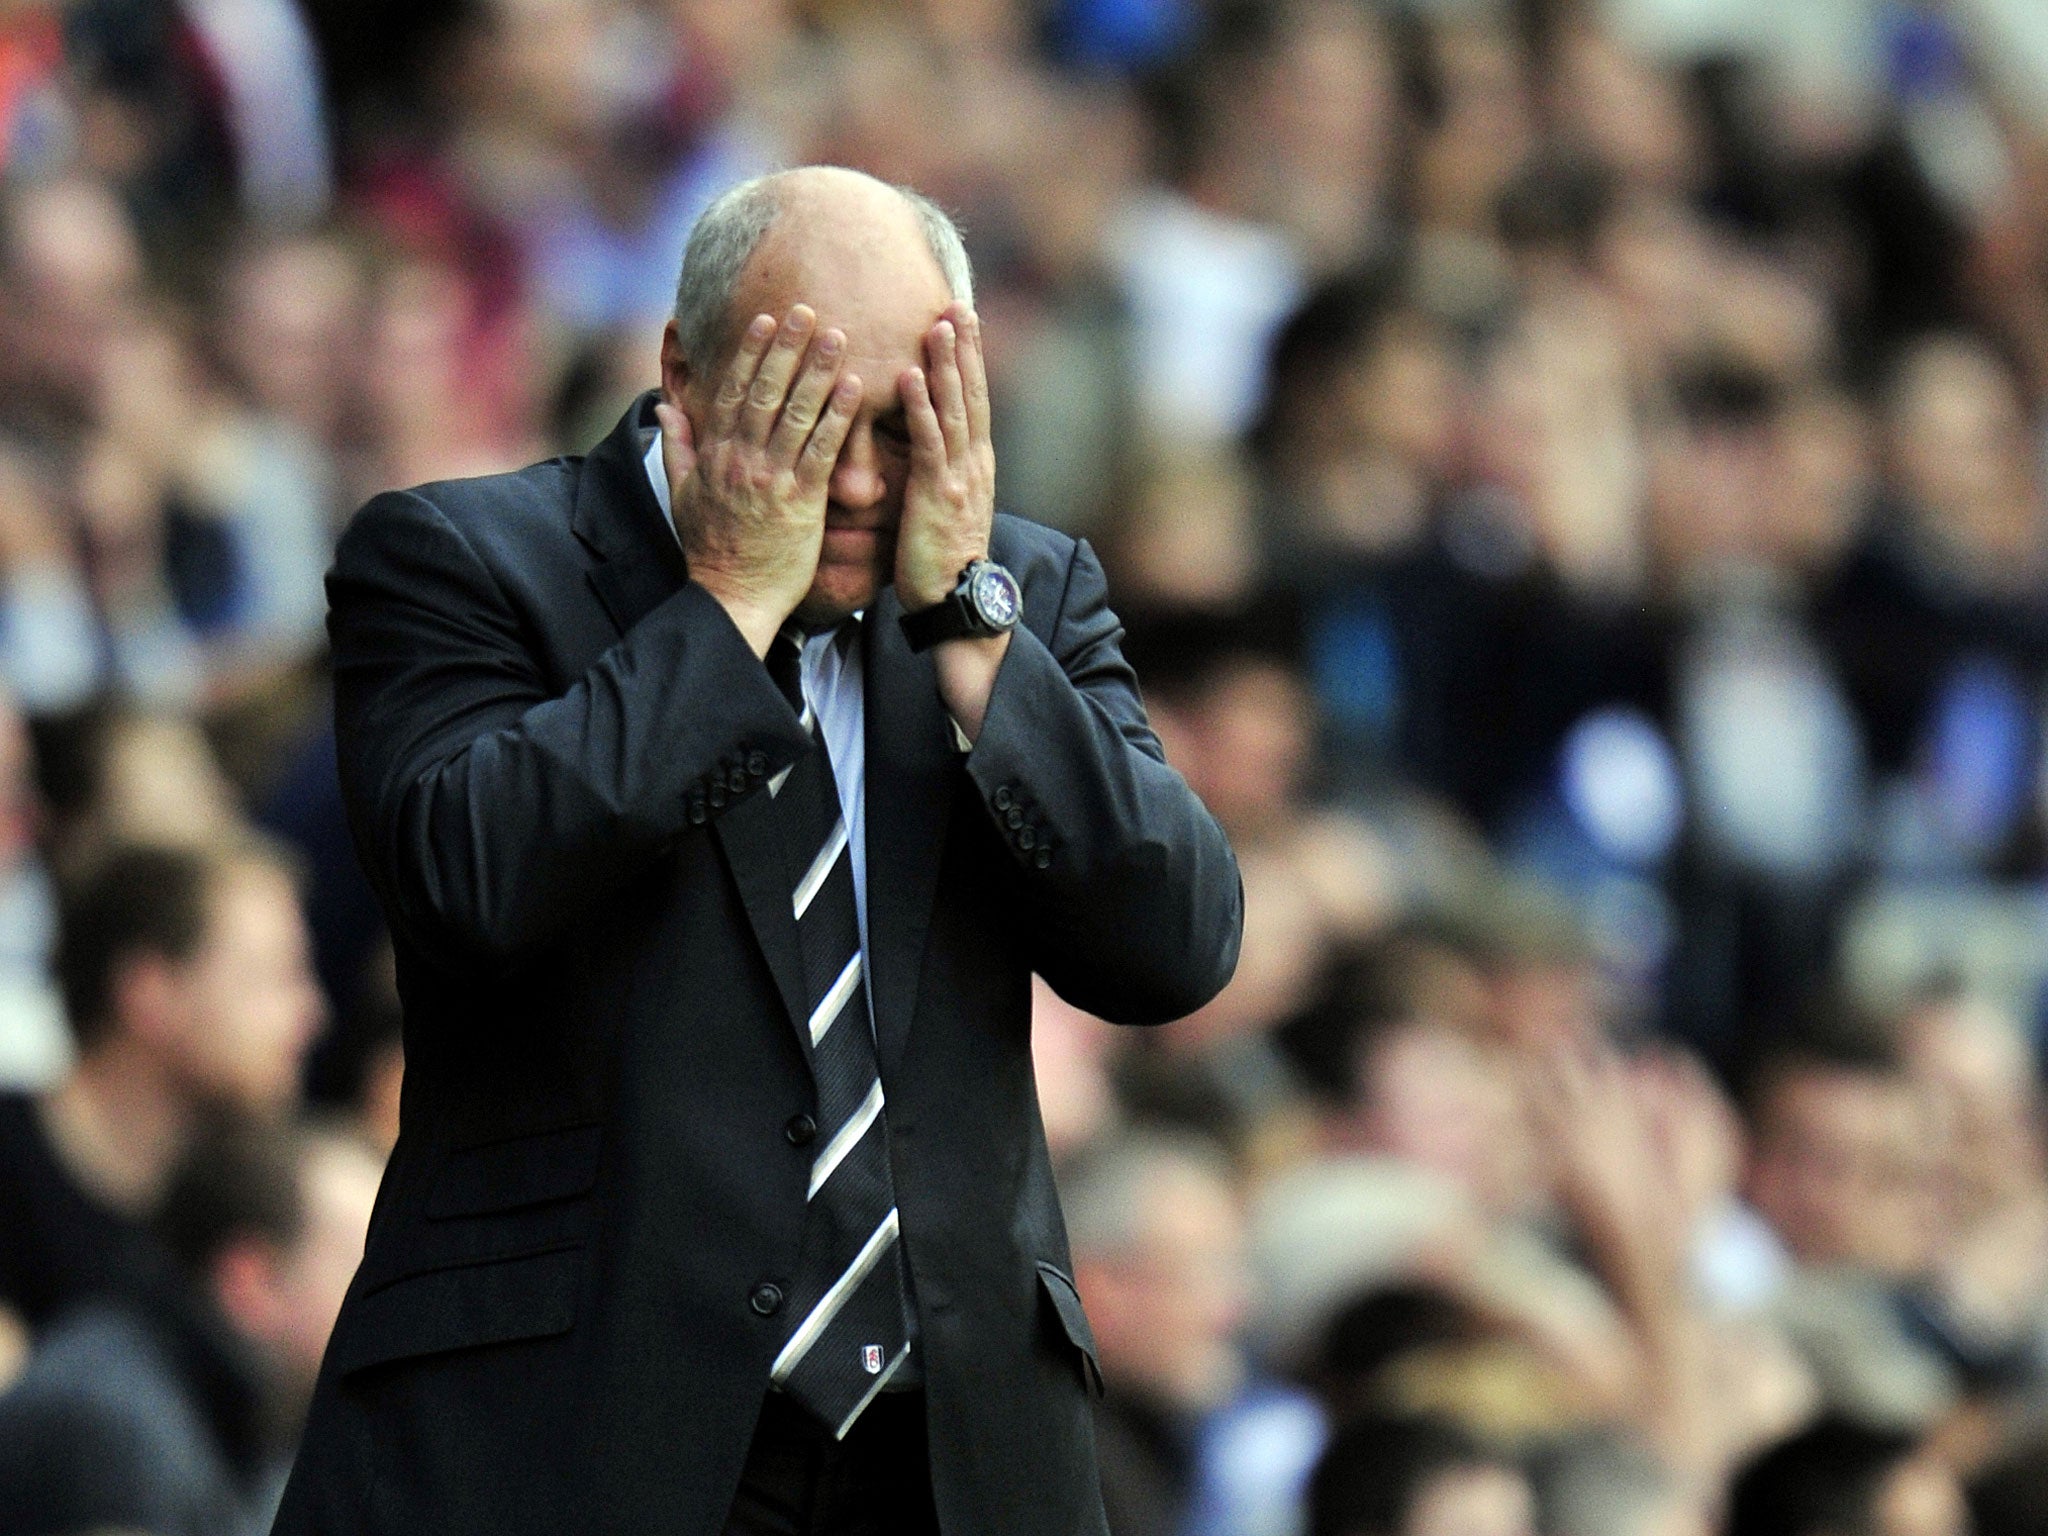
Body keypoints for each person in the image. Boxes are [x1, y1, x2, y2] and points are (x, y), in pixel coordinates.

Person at [272, 165, 1243, 1535]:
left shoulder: (1015, 593)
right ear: (682, 367)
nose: (856, 482)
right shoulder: (463, 558)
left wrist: (970, 632)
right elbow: (465, 879)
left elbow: (1176, 943)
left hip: (944, 1456)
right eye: (809, 419)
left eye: (906, 429)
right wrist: (724, 609)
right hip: (569, 1436)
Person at [0, 838, 325, 1335]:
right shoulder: (10, 1169)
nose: (312, 1016)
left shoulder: (223, 1231)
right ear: (150, 992)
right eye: (275, 977)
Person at [0, 1118, 381, 1536]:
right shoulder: (112, 1426)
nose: (391, 1306)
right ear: (253, 1283)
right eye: (366, 1271)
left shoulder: (249, 1417)